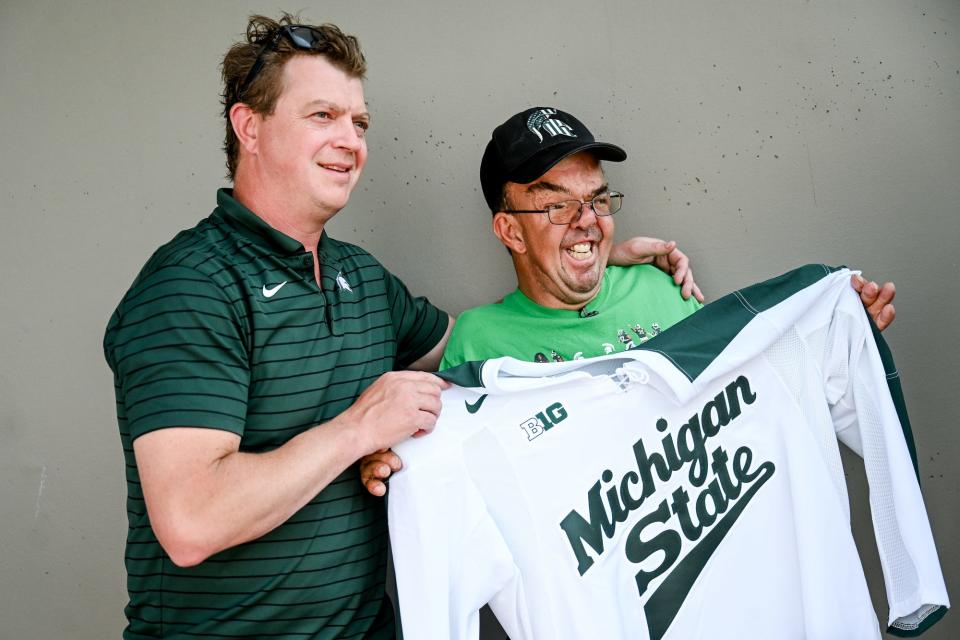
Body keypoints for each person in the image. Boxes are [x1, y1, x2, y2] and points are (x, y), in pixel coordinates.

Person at [102, 18, 699, 639]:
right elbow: (192, 521)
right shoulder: (188, 286)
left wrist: (592, 259)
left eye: (358, 123)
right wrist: (358, 431)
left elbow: (488, 346)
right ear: (248, 126)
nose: (350, 140)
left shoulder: (358, 277)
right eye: (322, 116)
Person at [360, 106, 895, 494]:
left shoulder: (663, 287)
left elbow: (755, 397)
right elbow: (465, 482)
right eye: (557, 207)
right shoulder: (480, 341)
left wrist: (834, 339)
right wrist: (410, 467)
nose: (588, 221)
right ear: (511, 232)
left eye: (597, 199)